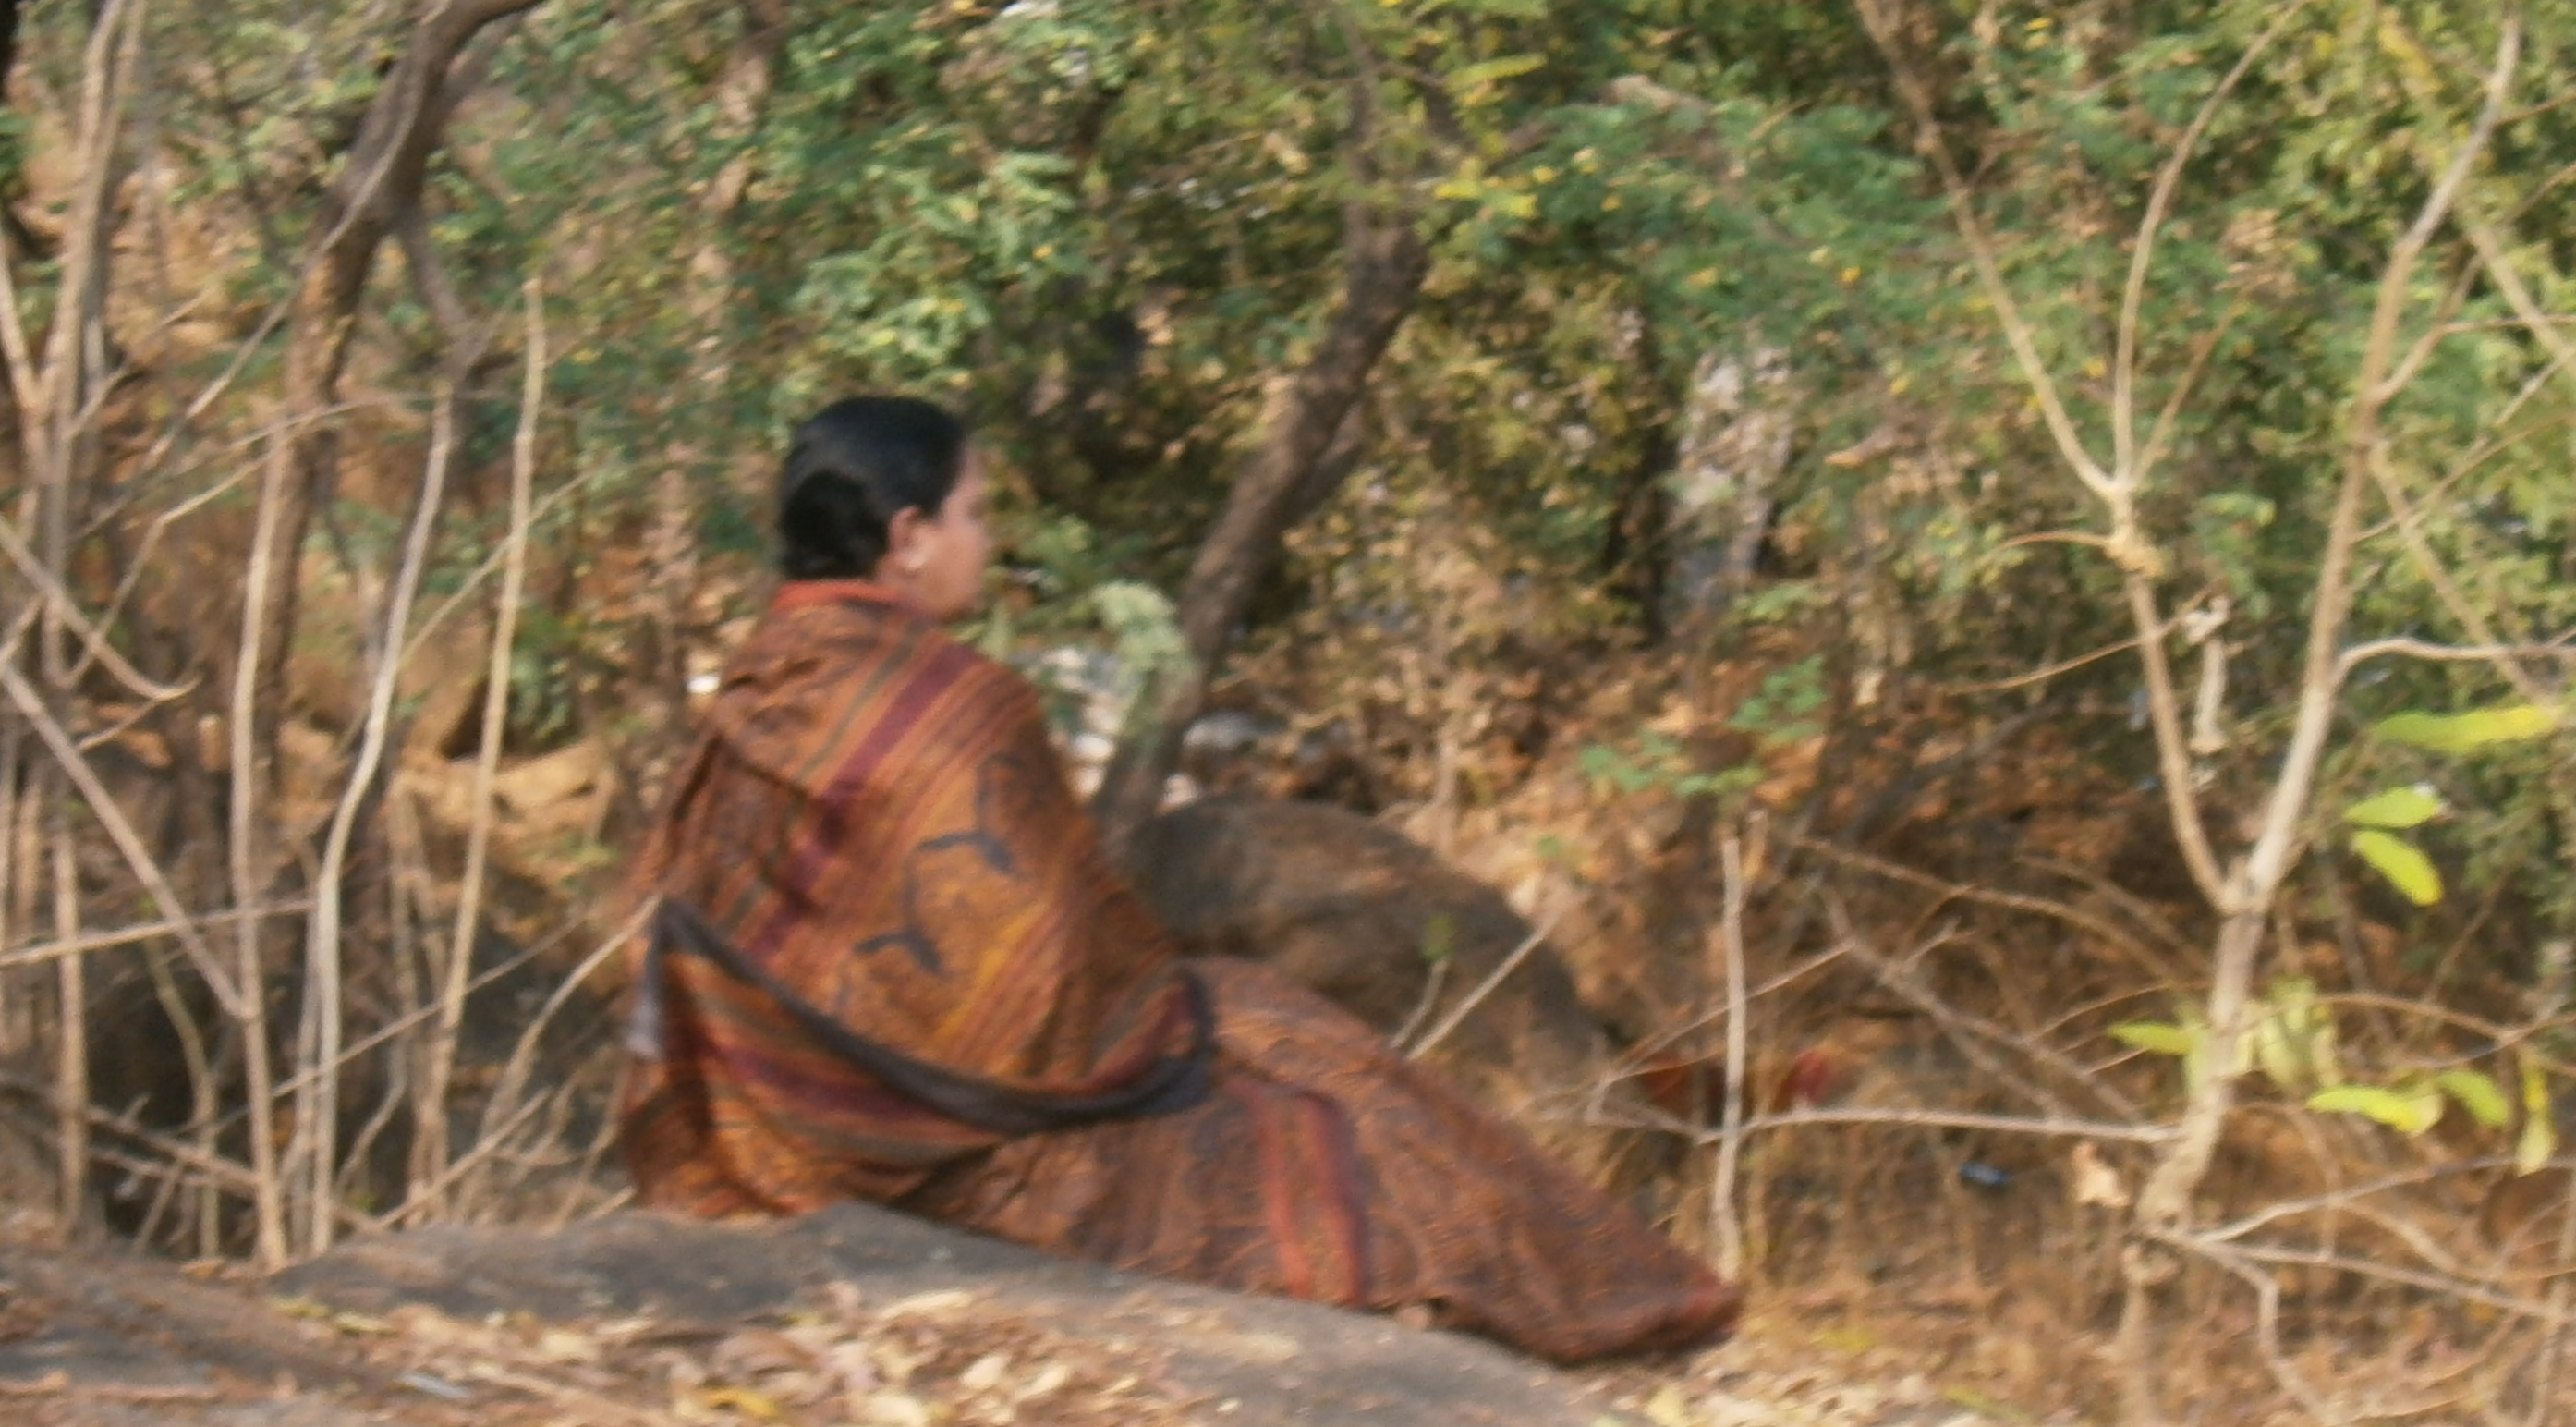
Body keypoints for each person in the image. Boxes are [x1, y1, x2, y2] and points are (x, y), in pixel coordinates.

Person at [614, 394, 1736, 1363]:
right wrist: (1163, 1017)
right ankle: (1611, 1294)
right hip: (946, 1157)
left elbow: (670, 946)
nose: (987, 542)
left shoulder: (751, 694)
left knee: (1257, 1020)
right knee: (1303, 1061)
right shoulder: (959, 708)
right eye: (975, 513)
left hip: (755, 1140)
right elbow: (1062, 996)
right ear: (907, 537)